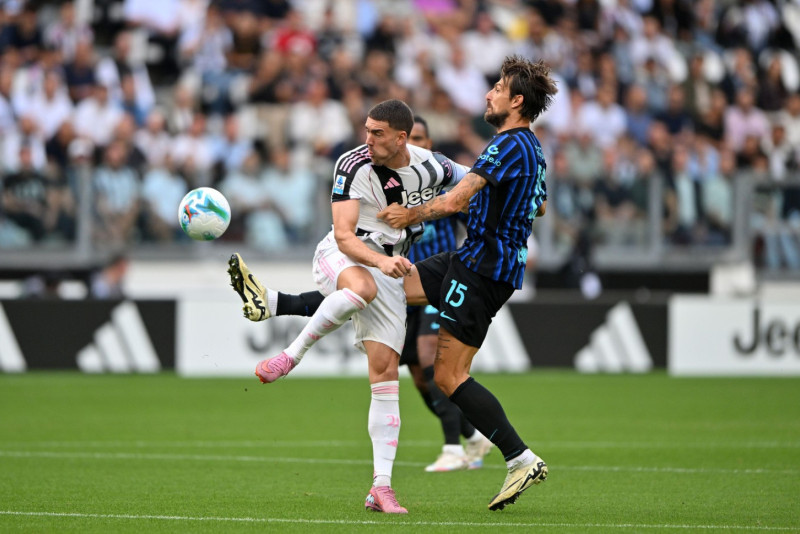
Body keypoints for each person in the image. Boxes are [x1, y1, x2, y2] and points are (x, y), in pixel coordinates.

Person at [228, 100, 469, 514]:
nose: (367, 139)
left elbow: (476, 180)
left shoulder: (434, 167)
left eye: (377, 133)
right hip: (343, 255)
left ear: (401, 138)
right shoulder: (352, 164)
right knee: (361, 287)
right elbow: (343, 235)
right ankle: (291, 355)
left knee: (386, 374)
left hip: (390, 270)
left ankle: (381, 488)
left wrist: (523, 192)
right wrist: (380, 262)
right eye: (366, 130)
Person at [376, 55, 556, 511]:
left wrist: (409, 214)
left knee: (449, 375)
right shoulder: (532, 149)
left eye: (497, 88)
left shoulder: (509, 144)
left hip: (482, 270)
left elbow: (456, 200)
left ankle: (520, 458)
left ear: (517, 101)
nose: (488, 94)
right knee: (383, 285)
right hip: (472, 258)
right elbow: (539, 206)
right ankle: (285, 306)